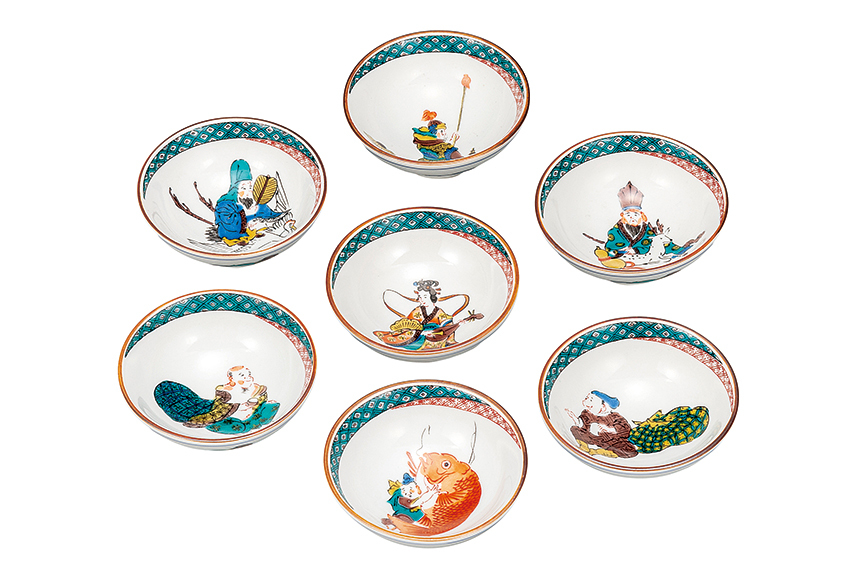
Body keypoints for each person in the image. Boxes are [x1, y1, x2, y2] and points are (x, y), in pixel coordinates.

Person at [373, 279, 475, 351]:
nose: (422, 300)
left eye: (425, 297)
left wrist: (458, 324)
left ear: (432, 297)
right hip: (417, 338)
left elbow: (446, 327)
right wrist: (422, 333)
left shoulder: (439, 312)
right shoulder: (417, 310)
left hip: (434, 339)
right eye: (420, 297)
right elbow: (408, 326)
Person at [603, 181, 691, 260]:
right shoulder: (616, 231)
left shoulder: (647, 230)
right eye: (628, 215)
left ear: (641, 215)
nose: (632, 218)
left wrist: (635, 250)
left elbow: (651, 244)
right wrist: (620, 251)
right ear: (623, 216)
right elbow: (610, 247)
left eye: (636, 214)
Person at [565, 390, 638, 459]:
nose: (586, 402)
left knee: (628, 450)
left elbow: (625, 430)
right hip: (594, 438)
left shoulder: (614, 417)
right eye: (586, 398)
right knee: (575, 429)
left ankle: (601, 452)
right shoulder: (587, 413)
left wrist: (609, 430)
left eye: (591, 400)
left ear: (603, 406)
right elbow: (582, 424)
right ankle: (584, 446)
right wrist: (575, 419)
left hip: (612, 441)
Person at [213, 159, 266, 246]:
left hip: (242, 231)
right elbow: (228, 221)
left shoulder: (245, 200)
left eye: (250, 187)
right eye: (243, 188)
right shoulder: (225, 203)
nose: (248, 192)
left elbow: (245, 217)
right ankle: (236, 239)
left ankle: (247, 235)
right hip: (229, 233)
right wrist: (247, 213)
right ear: (235, 188)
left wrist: (253, 217)